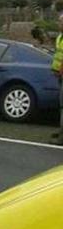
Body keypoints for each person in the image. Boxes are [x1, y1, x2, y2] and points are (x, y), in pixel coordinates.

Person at [50, 14, 63, 144]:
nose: (58, 23)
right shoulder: (60, 36)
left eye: (60, 21)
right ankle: (61, 130)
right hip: (59, 74)